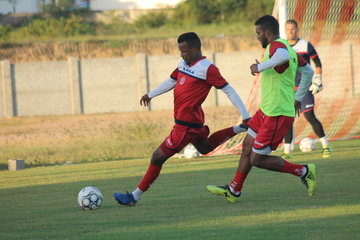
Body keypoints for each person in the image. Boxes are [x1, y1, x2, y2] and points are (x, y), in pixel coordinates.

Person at [113, 32, 251, 206]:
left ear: (194, 49)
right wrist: (151, 94)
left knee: (157, 157)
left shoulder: (207, 68)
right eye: (180, 50)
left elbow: (228, 90)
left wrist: (245, 114)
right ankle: (240, 128)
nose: (181, 54)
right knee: (206, 147)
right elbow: (171, 81)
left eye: (184, 50)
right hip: (194, 123)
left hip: (185, 127)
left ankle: (134, 197)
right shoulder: (183, 64)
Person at [207, 15, 317, 203]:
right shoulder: (287, 49)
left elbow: (282, 57)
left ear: (267, 32)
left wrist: (258, 67)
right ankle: (234, 190)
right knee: (247, 148)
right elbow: (308, 71)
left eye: (258, 33)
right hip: (266, 110)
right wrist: (298, 97)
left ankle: (304, 171)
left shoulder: (277, 47)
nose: (257, 37)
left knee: (256, 159)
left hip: (277, 114)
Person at [282, 19, 331, 159]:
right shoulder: (283, 46)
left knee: (309, 116)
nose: (290, 32)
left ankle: (326, 146)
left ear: (297, 30)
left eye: (293, 29)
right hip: (289, 89)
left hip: (305, 87)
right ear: (285, 31)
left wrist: (318, 80)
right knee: (287, 119)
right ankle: (286, 153)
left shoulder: (305, 45)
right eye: (288, 29)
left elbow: (317, 62)